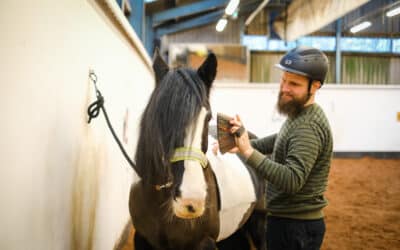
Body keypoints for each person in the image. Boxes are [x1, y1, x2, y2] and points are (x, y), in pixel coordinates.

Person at [220, 46, 333, 250]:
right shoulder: (301, 114)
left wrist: (248, 152)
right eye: (283, 80)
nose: (284, 88)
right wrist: (242, 143)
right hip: (290, 222)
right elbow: (281, 138)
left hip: (295, 227)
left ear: (315, 86)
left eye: (294, 84)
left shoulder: (308, 126)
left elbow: (291, 180)